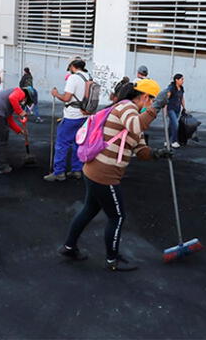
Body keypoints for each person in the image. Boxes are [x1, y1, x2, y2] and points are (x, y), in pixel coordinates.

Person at [58, 79, 172, 271]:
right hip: (104, 174)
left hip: (94, 170)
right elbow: (137, 126)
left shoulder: (134, 115)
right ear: (145, 97)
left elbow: (140, 148)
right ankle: (112, 260)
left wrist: (157, 153)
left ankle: (69, 247)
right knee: (117, 217)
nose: (152, 105)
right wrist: (158, 106)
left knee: (89, 209)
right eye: (152, 100)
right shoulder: (127, 108)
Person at [44, 59, 91, 181]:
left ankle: (59, 172)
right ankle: (77, 170)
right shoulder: (88, 76)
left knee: (62, 143)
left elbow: (66, 98)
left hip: (72, 115)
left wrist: (56, 94)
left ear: (72, 66)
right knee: (78, 143)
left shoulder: (73, 78)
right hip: (85, 115)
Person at [0, 86, 35, 174]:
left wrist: (20, 130)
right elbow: (12, 98)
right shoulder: (20, 92)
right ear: (27, 96)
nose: (23, 103)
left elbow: (9, 119)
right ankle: (0, 167)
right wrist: (20, 112)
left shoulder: (8, 99)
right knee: (1, 139)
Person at [165, 74, 187, 149]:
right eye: (181, 79)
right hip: (171, 109)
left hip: (177, 109)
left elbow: (182, 98)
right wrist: (165, 110)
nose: (183, 81)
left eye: (183, 79)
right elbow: (166, 99)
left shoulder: (181, 88)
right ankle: (174, 141)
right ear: (176, 80)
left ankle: (167, 140)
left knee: (171, 126)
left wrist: (184, 108)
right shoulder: (171, 88)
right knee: (175, 124)